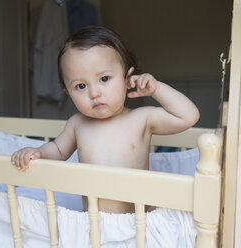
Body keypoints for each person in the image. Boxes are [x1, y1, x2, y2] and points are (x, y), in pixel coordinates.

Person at [11, 26, 200, 213]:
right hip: (95, 224)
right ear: (67, 92)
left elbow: (188, 116)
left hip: (139, 223)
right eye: (81, 85)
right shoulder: (77, 124)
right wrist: (38, 152)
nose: (94, 93)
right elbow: (58, 150)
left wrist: (156, 89)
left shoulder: (141, 118)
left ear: (127, 78)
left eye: (104, 79)